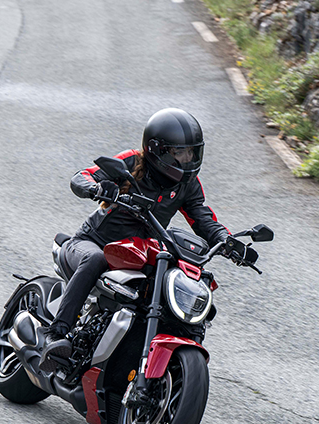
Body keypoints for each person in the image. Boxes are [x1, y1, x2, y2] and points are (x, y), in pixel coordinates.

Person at [39, 107, 230, 372]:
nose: (188, 159)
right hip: (93, 243)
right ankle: (55, 335)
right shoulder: (131, 162)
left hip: (138, 254)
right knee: (95, 259)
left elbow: (203, 218)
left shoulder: (188, 184)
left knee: (181, 282)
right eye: (180, 153)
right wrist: (97, 188)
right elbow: (82, 177)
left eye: (192, 152)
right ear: (158, 151)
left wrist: (227, 240)